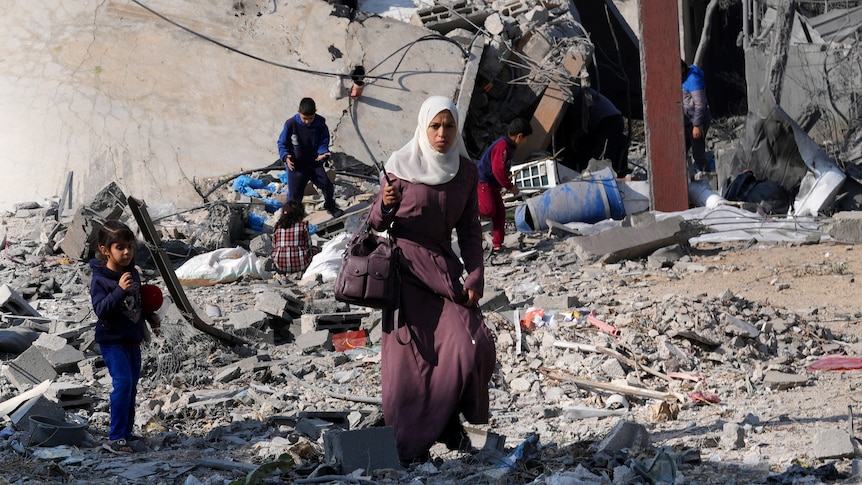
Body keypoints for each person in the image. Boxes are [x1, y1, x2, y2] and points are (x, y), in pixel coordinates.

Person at [368, 96, 496, 465]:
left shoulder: (466, 173)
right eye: (435, 126)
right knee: (412, 366)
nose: (442, 134)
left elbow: (470, 229)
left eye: (449, 126)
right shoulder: (398, 167)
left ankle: (454, 423)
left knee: (472, 344)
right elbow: (375, 224)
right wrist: (385, 203)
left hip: (442, 270)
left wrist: (475, 273)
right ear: (423, 128)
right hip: (405, 272)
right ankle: (409, 444)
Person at [89, 220, 160, 454]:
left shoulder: (132, 273)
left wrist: (150, 317)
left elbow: (135, 303)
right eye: (120, 247)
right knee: (123, 384)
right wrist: (119, 290)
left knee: (131, 387)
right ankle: (115, 437)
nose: (127, 252)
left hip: (132, 339)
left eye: (129, 246)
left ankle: (126, 433)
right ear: (104, 249)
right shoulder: (101, 279)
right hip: (112, 341)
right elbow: (101, 309)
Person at [277, 97, 342, 216]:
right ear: (299, 112)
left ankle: (330, 206)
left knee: (327, 185)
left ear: (315, 113)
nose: (308, 122)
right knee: (294, 196)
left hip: (314, 164)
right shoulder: (291, 124)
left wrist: (322, 153)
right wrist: (286, 156)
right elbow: (282, 143)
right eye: (305, 118)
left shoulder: (320, 124)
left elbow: (323, 142)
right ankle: (292, 218)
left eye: (310, 118)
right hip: (296, 166)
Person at [476, 118, 531, 251]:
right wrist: (511, 187)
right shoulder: (502, 146)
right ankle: (468, 208)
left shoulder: (509, 147)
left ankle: (497, 244)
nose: (526, 142)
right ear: (519, 136)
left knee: (500, 213)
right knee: (488, 210)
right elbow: (497, 170)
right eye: (526, 139)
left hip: (493, 184)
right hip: (484, 181)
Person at [567, 88, 630, 177]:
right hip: (613, 119)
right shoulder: (585, 92)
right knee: (607, 151)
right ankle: (615, 174)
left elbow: (586, 116)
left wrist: (577, 134)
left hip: (609, 121)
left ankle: (606, 177)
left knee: (604, 154)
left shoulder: (583, 94)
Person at [271, 200, 320, 274]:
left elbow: (274, 246)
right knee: (316, 250)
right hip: (302, 263)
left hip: (280, 264)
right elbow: (308, 245)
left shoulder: (277, 226)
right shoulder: (303, 225)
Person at [682, 61, 712, 174]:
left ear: (683, 69)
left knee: (698, 153)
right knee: (681, 151)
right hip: (687, 120)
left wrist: (697, 125)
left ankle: (708, 177)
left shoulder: (693, 80)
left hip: (697, 120)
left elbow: (700, 105)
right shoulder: (683, 79)